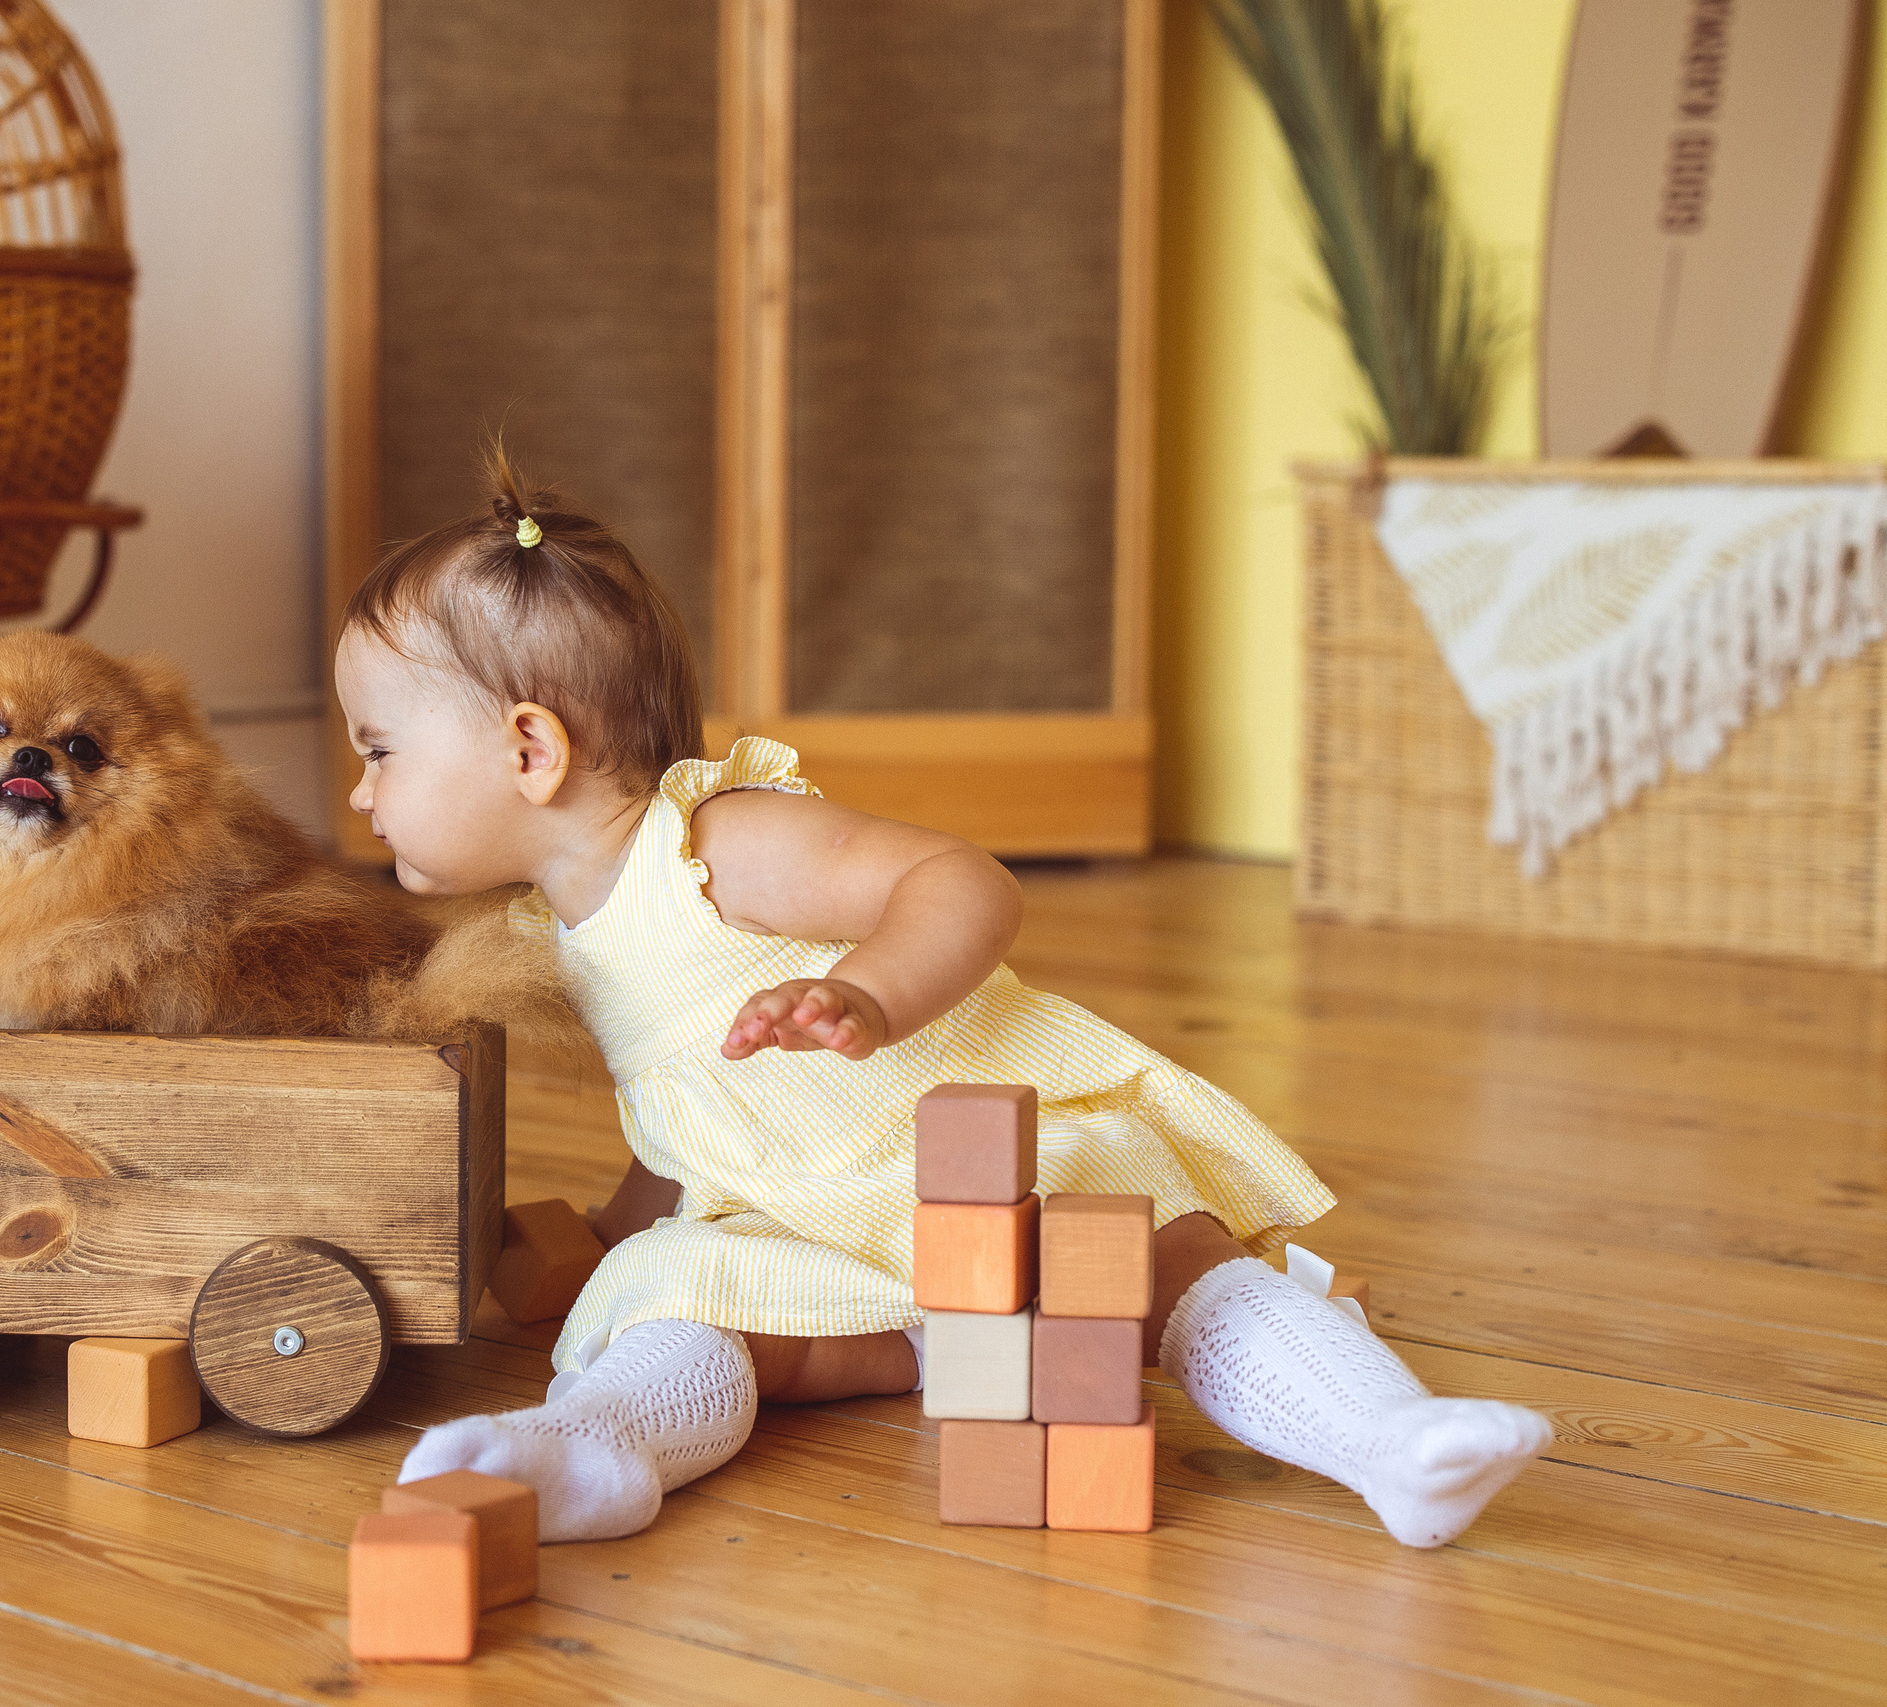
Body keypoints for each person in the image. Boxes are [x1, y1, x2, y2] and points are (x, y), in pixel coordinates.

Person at [333, 455, 1550, 1549]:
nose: (358, 792)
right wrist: (613, 1233)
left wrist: (869, 989)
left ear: (530, 750)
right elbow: (688, 1115)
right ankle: (605, 1447)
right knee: (673, 1296)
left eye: (379, 748)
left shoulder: (719, 841)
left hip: (987, 1175)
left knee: (1170, 1260)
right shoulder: (561, 934)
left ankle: (1388, 1439)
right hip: (825, 1244)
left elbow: (957, 879)